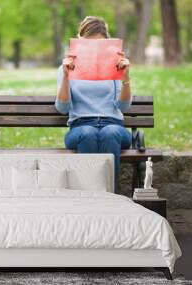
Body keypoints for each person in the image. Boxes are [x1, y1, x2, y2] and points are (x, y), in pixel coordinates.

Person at [55, 16, 131, 188]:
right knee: (88, 133)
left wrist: (125, 76)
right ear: (80, 43)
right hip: (80, 127)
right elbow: (62, 108)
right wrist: (67, 77)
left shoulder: (115, 66)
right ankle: (89, 194)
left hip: (114, 126)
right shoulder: (67, 67)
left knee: (109, 132)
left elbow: (124, 106)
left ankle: (110, 194)